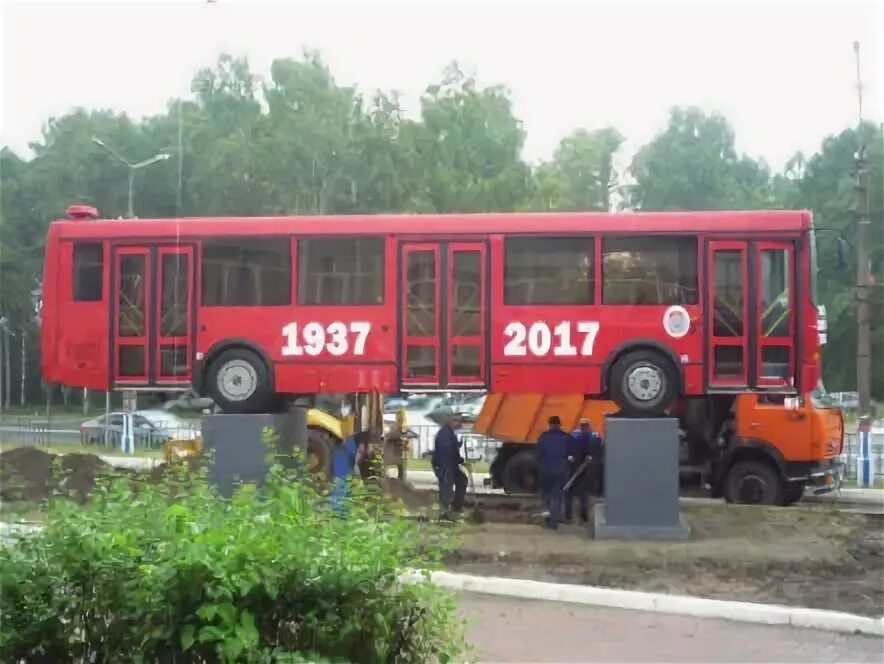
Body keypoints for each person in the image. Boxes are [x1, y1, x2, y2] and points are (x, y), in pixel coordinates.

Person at [536, 415, 571, 529]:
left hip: (546, 470)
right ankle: (555, 520)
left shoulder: (543, 437)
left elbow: (538, 454)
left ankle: (547, 516)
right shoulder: (566, 438)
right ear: (559, 425)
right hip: (560, 470)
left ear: (550, 425)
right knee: (557, 495)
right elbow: (570, 455)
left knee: (545, 495)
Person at [565, 418, 602, 522]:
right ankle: (570, 515)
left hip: (585, 469)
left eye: (585, 425)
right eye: (582, 425)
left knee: (582, 492)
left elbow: (598, 452)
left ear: (588, 426)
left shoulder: (593, 437)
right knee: (571, 490)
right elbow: (569, 449)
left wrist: (592, 459)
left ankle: (582, 515)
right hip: (576, 467)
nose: (584, 427)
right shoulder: (576, 436)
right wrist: (569, 457)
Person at [432, 413, 467, 519]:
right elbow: (447, 451)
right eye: (457, 421)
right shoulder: (444, 434)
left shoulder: (450, 433)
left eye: (460, 421)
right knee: (446, 487)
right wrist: (458, 459)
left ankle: (456, 506)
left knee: (462, 480)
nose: (460, 424)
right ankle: (444, 512)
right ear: (450, 421)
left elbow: (452, 448)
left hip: (451, 464)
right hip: (445, 465)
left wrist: (458, 448)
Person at [330, 430, 370, 517]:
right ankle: (337, 514)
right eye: (361, 452)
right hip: (342, 463)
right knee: (341, 487)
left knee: (343, 487)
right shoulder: (344, 455)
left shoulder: (352, 443)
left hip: (344, 459)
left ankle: (339, 513)